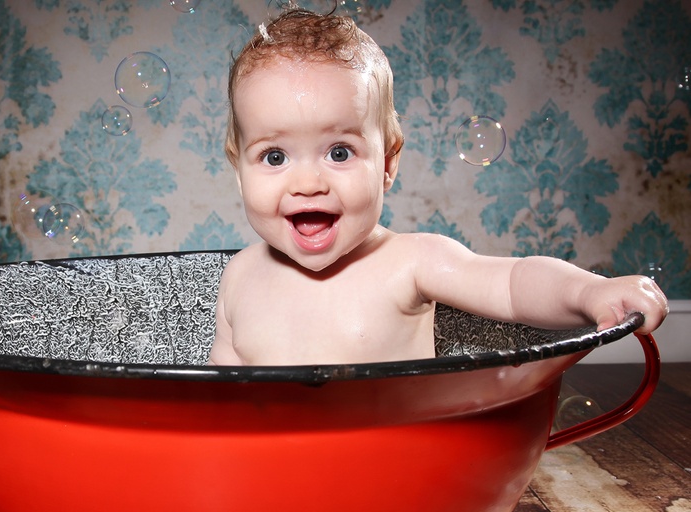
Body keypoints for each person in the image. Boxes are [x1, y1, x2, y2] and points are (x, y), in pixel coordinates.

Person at [207, 7, 668, 366]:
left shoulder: (411, 262)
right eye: (274, 156)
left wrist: (590, 293)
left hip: (395, 471)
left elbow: (513, 283)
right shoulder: (241, 278)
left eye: (340, 152)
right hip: (276, 474)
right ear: (238, 169)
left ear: (387, 164)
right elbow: (219, 397)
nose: (308, 184)